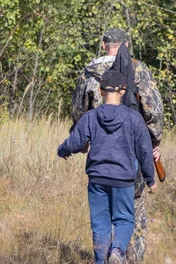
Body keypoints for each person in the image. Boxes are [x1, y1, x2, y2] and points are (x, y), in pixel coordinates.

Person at [71, 28, 164, 263]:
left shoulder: (90, 73)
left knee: (102, 215)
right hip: (131, 150)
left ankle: (106, 256)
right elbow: (153, 109)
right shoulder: (138, 69)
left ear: (104, 45)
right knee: (134, 211)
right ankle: (128, 257)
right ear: (128, 44)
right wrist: (153, 141)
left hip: (100, 155)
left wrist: (82, 141)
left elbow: (78, 112)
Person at [58, 70, 157, 264]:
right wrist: (150, 179)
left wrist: (62, 151)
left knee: (100, 224)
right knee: (124, 220)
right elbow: (145, 151)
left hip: (97, 179)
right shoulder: (134, 118)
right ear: (122, 91)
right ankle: (117, 251)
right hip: (123, 180)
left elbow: (74, 142)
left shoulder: (90, 117)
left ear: (101, 91)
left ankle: (101, 261)